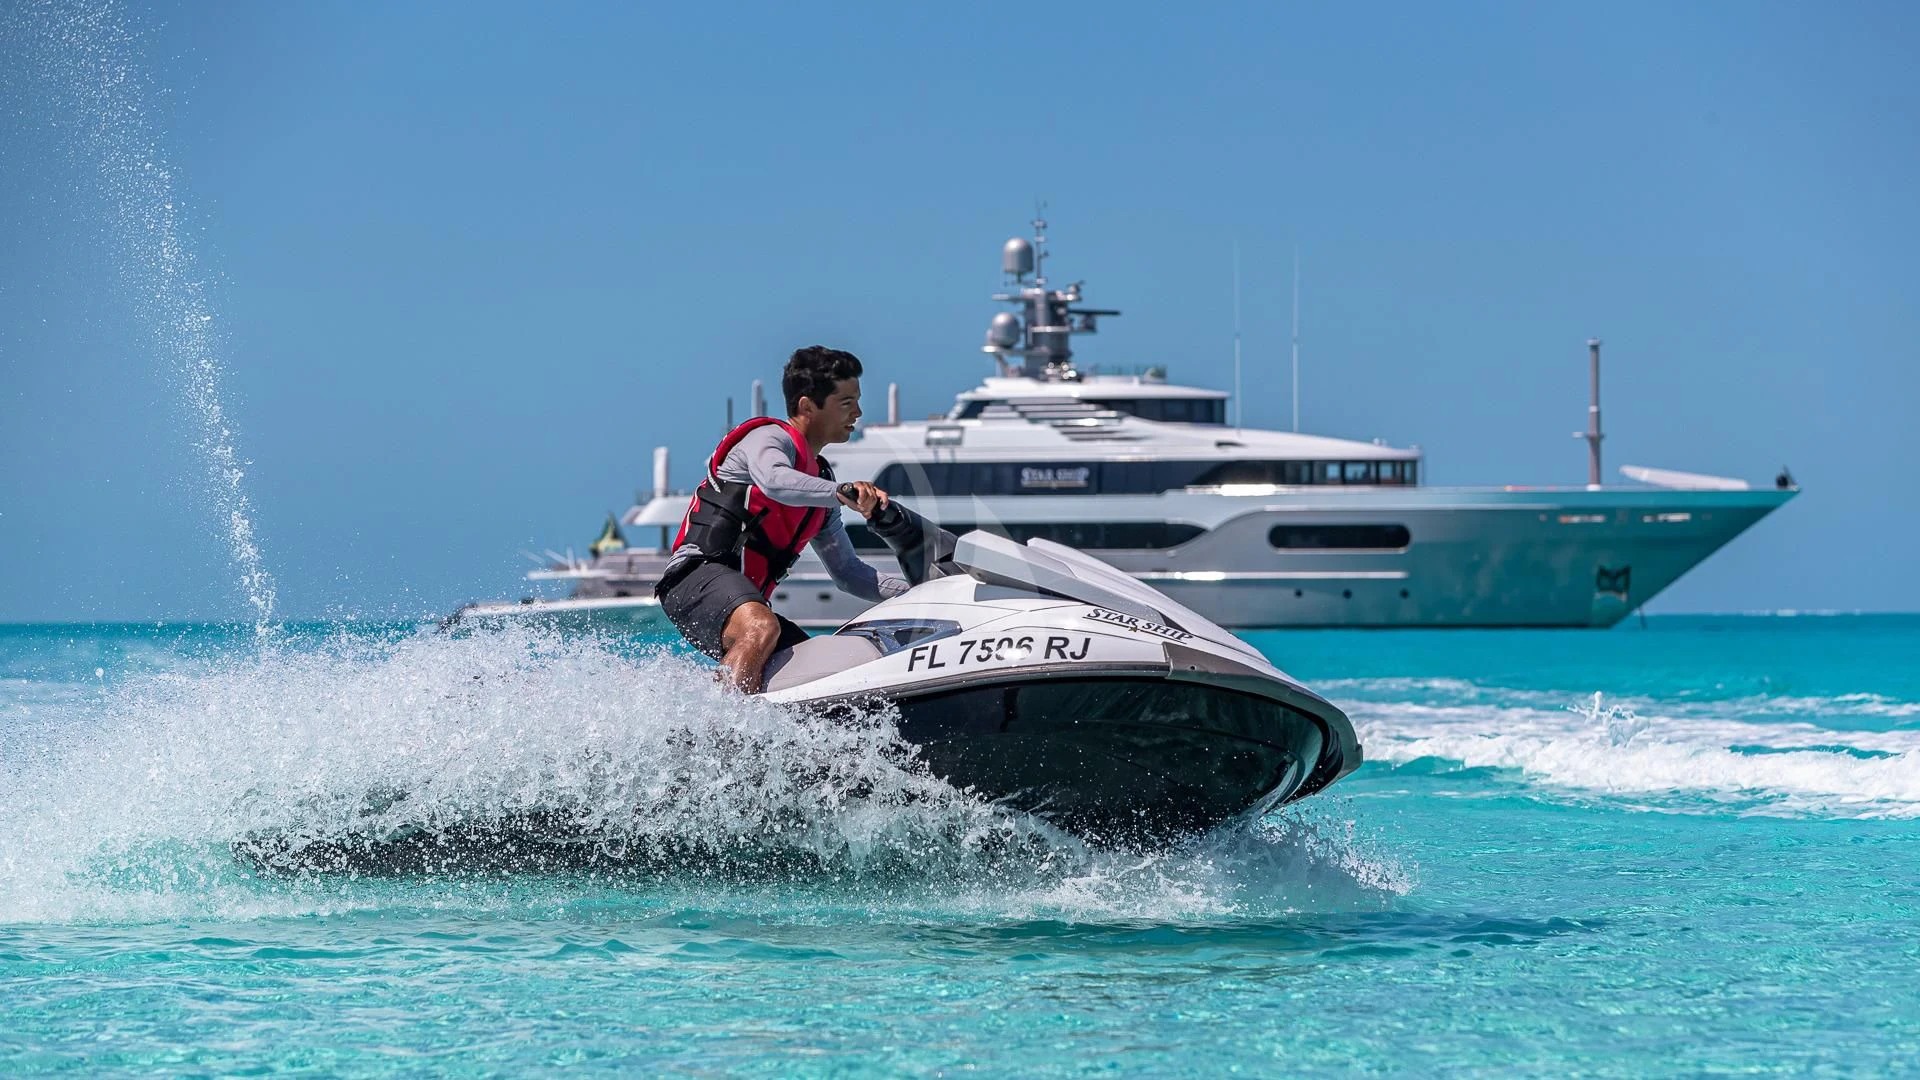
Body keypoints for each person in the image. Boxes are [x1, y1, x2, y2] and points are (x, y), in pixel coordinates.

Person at [656, 346, 908, 692]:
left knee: (822, 672)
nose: (859, 412)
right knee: (761, 628)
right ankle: (716, 730)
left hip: (741, 600)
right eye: (847, 403)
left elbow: (849, 573)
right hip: (693, 579)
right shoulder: (767, 439)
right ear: (807, 406)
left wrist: (915, 592)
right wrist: (841, 492)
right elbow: (774, 481)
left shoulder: (818, 483)